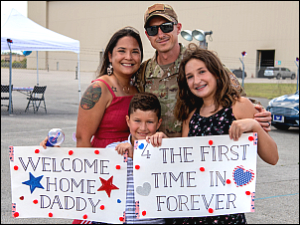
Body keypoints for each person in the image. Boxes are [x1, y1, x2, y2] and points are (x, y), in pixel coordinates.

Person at [162, 43, 278, 224]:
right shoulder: (190, 116)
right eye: (190, 76)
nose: (197, 80)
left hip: (227, 213)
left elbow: (272, 157)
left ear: (216, 72)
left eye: (202, 72)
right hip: (193, 211)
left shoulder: (239, 106)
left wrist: (255, 126)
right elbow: (184, 166)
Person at [41, 26, 144, 224]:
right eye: (122, 51)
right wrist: (88, 182)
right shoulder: (99, 88)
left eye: (135, 51)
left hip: (129, 172)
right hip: (102, 171)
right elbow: (82, 138)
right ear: (110, 55)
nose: (128, 57)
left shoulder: (137, 89)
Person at [136, 3, 272, 138]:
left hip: (197, 150)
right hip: (156, 152)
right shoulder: (143, 72)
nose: (160, 34)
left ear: (178, 28)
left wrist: (260, 114)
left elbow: (237, 96)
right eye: (153, 30)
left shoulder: (199, 63)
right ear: (148, 35)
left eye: (166, 27)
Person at [110, 92, 166, 224]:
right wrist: (54, 153)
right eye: (137, 121)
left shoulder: (164, 151)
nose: (143, 128)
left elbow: (177, 172)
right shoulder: (111, 150)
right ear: (128, 121)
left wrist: (167, 145)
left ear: (159, 124)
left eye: (150, 122)